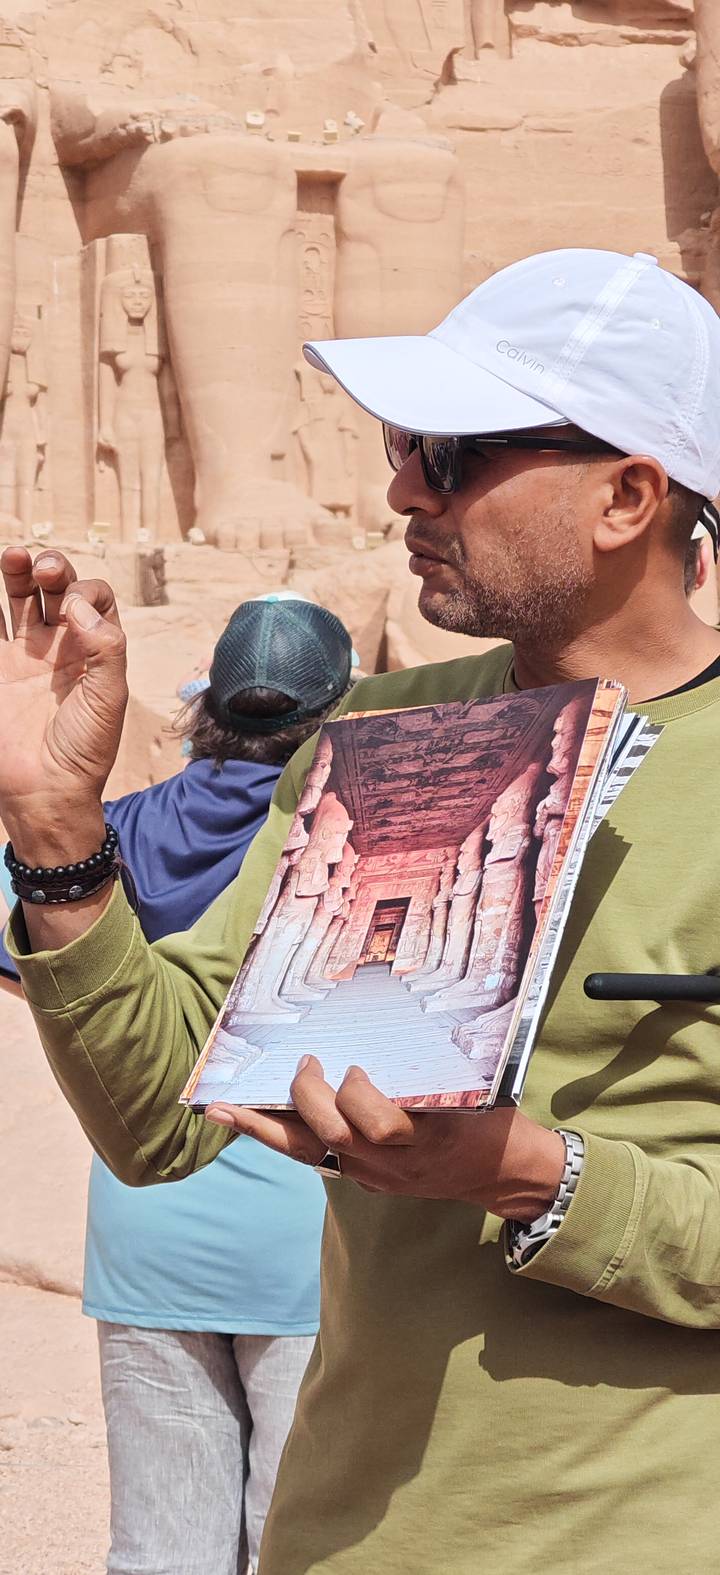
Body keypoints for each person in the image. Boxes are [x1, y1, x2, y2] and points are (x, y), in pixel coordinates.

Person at [3, 248, 720, 1574]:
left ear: (629, 493)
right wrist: (58, 834)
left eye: (448, 452)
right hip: (350, 1535)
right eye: (404, 443)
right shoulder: (395, 728)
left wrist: (526, 1173)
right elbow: (164, 1113)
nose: (400, 486)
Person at [0, 594, 355, 1575]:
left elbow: (39, 959)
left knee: (161, 1554)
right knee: (305, 1548)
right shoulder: (358, 841)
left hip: (149, 1231)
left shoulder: (109, 837)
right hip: (316, 1249)